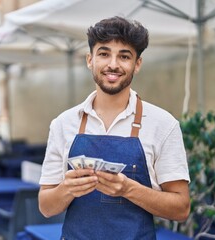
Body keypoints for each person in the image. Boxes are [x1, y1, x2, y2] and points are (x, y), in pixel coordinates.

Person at [38, 16, 190, 239]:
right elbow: (45, 207)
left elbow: (181, 208)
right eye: (104, 53)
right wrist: (66, 189)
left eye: (124, 56)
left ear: (137, 64)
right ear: (90, 60)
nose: (113, 64)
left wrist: (129, 189)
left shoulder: (163, 124)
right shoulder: (62, 124)